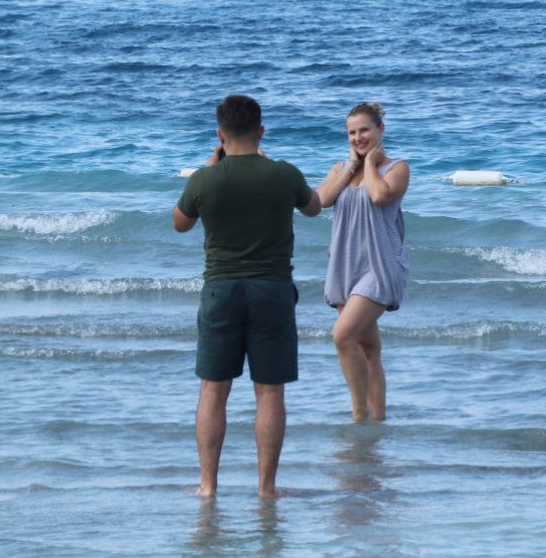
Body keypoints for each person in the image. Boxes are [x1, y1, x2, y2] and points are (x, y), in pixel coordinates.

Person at [173, 94, 321, 497]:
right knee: (269, 391)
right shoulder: (283, 174)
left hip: (221, 289)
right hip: (272, 289)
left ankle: (207, 486)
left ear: (220, 135)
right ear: (261, 131)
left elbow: (180, 223)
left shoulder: (204, 179)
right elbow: (313, 208)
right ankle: (267, 488)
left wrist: (210, 169)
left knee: (213, 390)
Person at [316, 103, 410, 422]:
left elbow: (379, 196)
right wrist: (350, 167)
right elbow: (321, 200)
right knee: (368, 348)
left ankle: (359, 414)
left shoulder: (396, 168)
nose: (358, 137)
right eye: (352, 133)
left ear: (380, 129)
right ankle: (376, 421)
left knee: (342, 336)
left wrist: (369, 163)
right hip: (345, 264)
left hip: (380, 265)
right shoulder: (340, 169)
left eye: (364, 130)